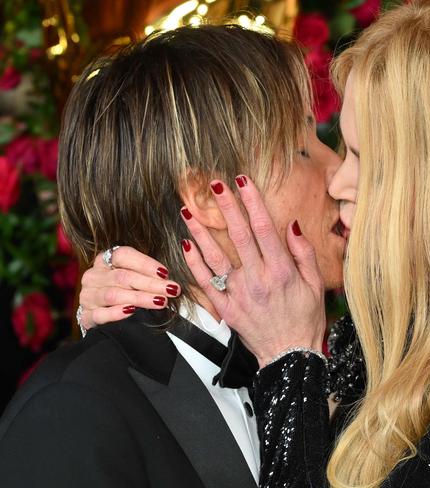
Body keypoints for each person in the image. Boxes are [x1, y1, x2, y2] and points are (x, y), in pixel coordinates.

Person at [79, 0, 430, 486]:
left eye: (365, 158)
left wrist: (290, 356)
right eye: (324, 147)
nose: (337, 180)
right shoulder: (389, 330)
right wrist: (158, 307)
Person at [0, 24, 345, 487]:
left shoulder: (334, 359)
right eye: (303, 147)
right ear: (207, 196)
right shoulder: (73, 411)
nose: (338, 171)